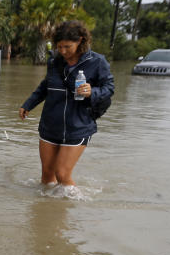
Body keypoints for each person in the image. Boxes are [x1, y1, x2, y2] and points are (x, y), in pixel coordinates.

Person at [18, 20, 114, 189]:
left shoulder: (97, 62)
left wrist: (92, 91)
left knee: (61, 174)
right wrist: (28, 104)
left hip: (78, 125)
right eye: (59, 47)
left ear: (81, 41)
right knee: (47, 176)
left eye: (67, 47)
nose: (62, 51)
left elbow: (109, 88)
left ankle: (74, 208)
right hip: (50, 124)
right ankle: (49, 212)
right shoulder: (55, 61)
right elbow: (45, 86)